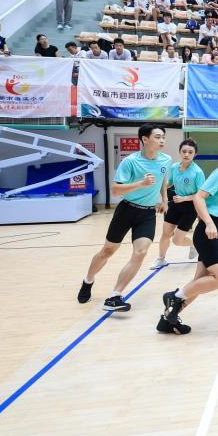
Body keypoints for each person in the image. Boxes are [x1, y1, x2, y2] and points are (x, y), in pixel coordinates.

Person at [159, 130, 218, 335]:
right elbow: (199, 198)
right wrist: (209, 223)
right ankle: (174, 297)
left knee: (199, 281)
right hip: (209, 231)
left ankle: (167, 320)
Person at [77, 124, 171, 312]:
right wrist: (141, 183)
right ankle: (88, 280)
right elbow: (115, 190)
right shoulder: (130, 162)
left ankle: (115, 296)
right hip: (126, 210)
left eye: (163, 137)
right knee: (107, 251)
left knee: (140, 252)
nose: (162, 140)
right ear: (145, 139)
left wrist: (164, 199)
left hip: (147, 214)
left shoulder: (166, 160)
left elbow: (162, 181)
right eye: (158, 137)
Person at [151, 139, 204, 269]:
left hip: (190, 207)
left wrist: (184, 198)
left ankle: (193, 245)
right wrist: (157, 187)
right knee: (166, 233)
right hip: (175, 204)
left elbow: (201, 195)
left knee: (177, 240)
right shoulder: (174, 167)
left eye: (190, 152)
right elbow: (169, 183)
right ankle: (161, 259)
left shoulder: (197, 172)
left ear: (195, 154)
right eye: (184, 151)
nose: (186, 154)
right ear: (180, 152)